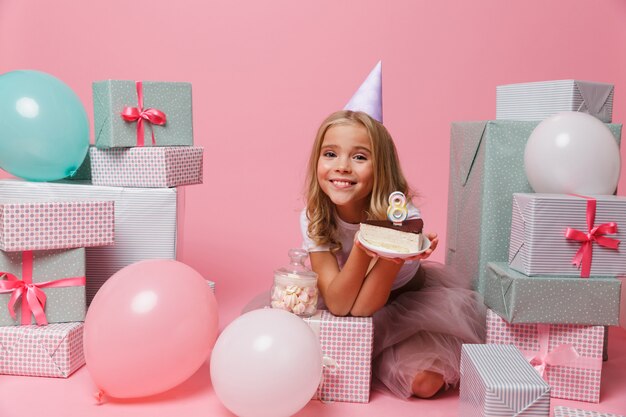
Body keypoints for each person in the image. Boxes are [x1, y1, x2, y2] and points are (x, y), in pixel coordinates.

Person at [300, 109, 486, 399]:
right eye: (330, 154)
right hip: (344, 295)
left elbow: (364, 309)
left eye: (360, 157)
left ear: (381, 167)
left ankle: (379, 357)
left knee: (424, 383)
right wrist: (365, 243)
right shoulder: (314, 216)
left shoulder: (401, 217)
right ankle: (363, 357)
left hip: (404, 305)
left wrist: (390, 249)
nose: (343, 167)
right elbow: (339, 304)